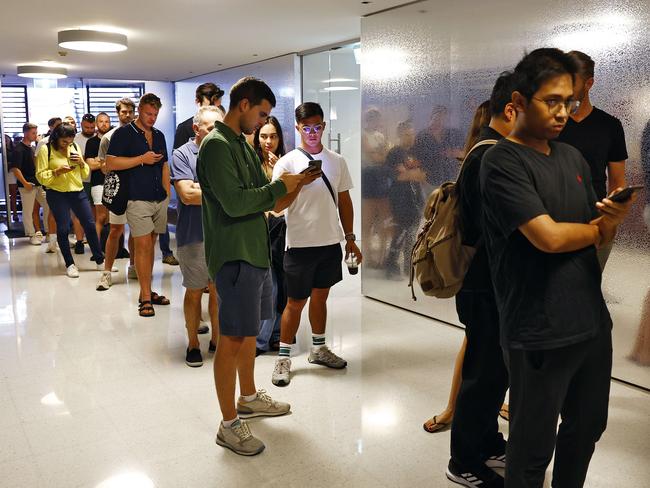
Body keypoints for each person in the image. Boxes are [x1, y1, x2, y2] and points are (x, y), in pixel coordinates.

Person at [480, 48, 635, 487]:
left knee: (586, 430)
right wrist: (592, 230)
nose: (563, 112)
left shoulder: (570, 158)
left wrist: (610, 220)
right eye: (552, 101)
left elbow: (594, 231)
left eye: (569, 100)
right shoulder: (501, 161)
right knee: (531, 451)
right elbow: (547, 238)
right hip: (538, 331)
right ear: (520, 101)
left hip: (589, 322)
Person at [197, 76, 304, 456]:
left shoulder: (241, 146)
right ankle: (228, 424)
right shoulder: (215, 147)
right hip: (234, 256)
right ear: (243, 104)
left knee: (248, 336)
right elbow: (236, 203)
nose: (262, 123)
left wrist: (295, 186)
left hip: (255, 252)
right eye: (260, 114)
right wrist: (280, 187)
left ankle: (247, 397)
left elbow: (266, 203)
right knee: (232, 339)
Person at [446, 74, 516, 488]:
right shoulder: (488, 156)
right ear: (512, 108)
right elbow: (482, 230)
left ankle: (488, 442)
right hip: (483, 284)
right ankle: (463, 461)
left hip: (493, 285)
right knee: (482, 376)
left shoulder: (490, 150)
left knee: (494, 375)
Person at [270, 101, 362, 387]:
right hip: (298, 245)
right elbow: (276, 206)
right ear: (298, 128)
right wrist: (297, 182)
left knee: (321, 297)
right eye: (306, 128)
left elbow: (344, 202)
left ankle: (319, 349)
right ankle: (283, 357)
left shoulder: (336, 161)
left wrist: (350, 238)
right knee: (295, 302)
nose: (312, 132)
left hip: (329, 243)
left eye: (317, 127)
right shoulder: (287, 163)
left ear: (323, 126)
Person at [423, 100, 498, 434]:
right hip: (480, 275)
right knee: (478, 346)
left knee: (484, 349)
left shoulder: (479, 155)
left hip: (483, 275)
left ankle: (470, 406)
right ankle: (456, 408)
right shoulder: (483, 157)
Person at [557, 50, 628, 270]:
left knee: (588, 289)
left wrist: (611, 217)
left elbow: (617, 181)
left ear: (589, 83)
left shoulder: (610, 125)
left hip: (595, 221)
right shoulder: (551, 123)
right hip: (554, 220)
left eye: (572, 80)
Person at [105, 93, 171, 316]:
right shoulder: (124, 134)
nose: (151, 118)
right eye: (148, 113)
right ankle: (144, 296)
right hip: (136, 198)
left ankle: (148, 289)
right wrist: (140, 159)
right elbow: (111, 162)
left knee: (150, 247)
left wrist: (167, 194)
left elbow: (164, 165)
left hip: (158, 198)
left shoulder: (159, 135)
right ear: (139, 110)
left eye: (155, 115)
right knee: (142, 246)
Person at [170, 106, 222, 367]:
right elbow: (187, 196)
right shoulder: (182, 155)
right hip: (194, 235)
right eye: (210, 128)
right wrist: (223, 192)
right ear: (196, 128)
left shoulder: (225, 152)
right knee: (194, 290)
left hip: (222, 235)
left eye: (219, 127)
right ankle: (193, 343)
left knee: (217, 290)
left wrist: (201, 187)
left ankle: (217, 340)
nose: (215, 132)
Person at [35, 123, 105, 277]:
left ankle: (100, 261)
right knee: (64, 227)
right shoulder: (45, 150)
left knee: (90, 224)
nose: (67, 145)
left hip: (77, 191)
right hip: (57, 193)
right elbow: (40, 177)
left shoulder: (74, 147)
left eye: (70, 141)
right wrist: (56, 172)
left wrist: (81, 162)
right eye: (64, 142)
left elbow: (85, 173)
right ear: (56, 138)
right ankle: (70, 264)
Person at [253, 116, 287, 354]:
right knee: (270, 284)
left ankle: (277, 334)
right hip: (261, 227)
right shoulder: (252, 163)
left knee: (283, 285)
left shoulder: (286, 162)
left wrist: (279, 171)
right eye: (264, 136)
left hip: (284, 228)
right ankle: (260, 339)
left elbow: (292, 194)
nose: (268, 141)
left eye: (273, 136)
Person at [95, 99, 137, 291]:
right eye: (123, 112)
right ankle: (107, 272)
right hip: (118, 189)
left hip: (137, 190)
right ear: (118, 113)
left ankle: (134, 266)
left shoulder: (141, 134)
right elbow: (104, 167)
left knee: (137, 232)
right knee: (115, 230)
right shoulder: (108, 138)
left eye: (130, 112)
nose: (127, 115)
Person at [384, 120, 426, 280]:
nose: (411, 137)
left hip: (415, 198)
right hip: (400, 199)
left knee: (412, 234)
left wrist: (412, 174)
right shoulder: (395, 153)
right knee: (400, 233)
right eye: (407, 134)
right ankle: (391, 267)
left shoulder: (414, 152)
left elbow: (421, 175)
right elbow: (399, 176)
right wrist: (412, 174)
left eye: (412, 134)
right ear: (400, 135)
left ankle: (408, 266)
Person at [9, 123, 50, 245]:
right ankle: (31, 234)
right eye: (33, 133)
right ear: (26, 133)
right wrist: (25, 183)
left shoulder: (31, 148)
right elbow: (15, 169)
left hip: (37, 183)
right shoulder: (18, 149)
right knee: (27, 211)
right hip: (27, 184)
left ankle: (48, 231)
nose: (35, 135)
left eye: (36, 132)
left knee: (48, 204)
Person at [361, 108, 391, 268]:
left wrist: (380, 153)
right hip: (368, 177)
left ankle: (382, 257)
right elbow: (373, 156)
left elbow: (385, 155)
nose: (374, 121)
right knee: (368, 222)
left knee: (383, 220)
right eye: (371, 118)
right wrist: (379, 153)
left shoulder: (380, 136)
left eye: (376, 118)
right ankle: (368, 257)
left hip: (381, 178)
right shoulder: (363, 135)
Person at [413, 105, 464, 186]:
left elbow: (464, 154)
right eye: (437, 118)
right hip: (429, 182)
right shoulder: (422, 137)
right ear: (431, 118)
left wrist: (454, 153)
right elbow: (416, 160)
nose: (439, 122)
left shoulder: (453, 134)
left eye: (443, 119)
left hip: (453, 181)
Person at [84, 112, 111, 241]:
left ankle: (114, 248)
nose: (104, 124)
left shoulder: (114, 139)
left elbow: (118, 162)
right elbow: (90, 165)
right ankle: (97, 248)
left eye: (106, 121)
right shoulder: (92, 142)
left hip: (114, 183)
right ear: (96, 123)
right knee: (101, 217)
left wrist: (100, 161)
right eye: (101, 121)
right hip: (98, 183)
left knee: (114, 218)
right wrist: (106, 162)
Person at [174, 82, 225, 150]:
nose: (214, 111)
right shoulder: (184, 128)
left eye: (217, 107)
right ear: (197, 101)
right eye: (210, 107)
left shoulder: (224, 127)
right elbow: (179, 156)